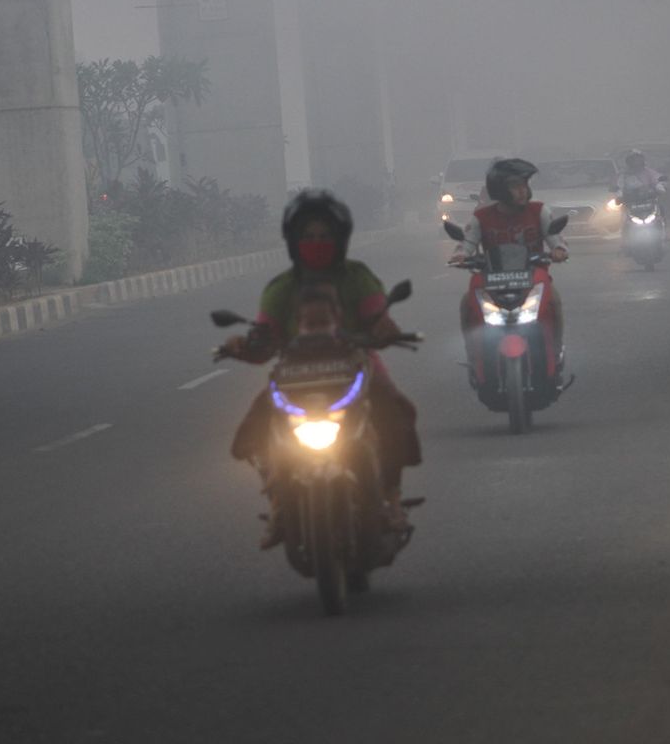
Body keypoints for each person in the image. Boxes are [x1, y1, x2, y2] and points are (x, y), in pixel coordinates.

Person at [224, 190, 421, 549]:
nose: (316, 244)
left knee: (397, 413)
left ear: (339, 239)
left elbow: (380, 319)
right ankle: (279, 499)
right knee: (251, 432)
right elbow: (264, 337)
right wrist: (242, 346)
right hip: (292, 380)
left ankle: (391, 499)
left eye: (324, 237)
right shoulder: (281, 288)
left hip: (357, 371)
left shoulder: (358, 277)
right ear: (294, 241)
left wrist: (384, 331)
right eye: (308, 237)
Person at [449, 158, 568, 382]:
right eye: (515, 186)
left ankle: (556, 351)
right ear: (500, 190)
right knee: (467, 303)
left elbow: (556, 240)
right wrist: (460, 256)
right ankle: (474, 358)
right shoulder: (481, 217)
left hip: (533, 280)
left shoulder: (539, 211)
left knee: (555, 300)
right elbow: (466, 244)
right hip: (491, 282)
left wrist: (559, 250)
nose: (523, 191)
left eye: (524, 185)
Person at [617, 149, 668, 240]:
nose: (636, 162)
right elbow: (619, 186)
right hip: (630, 203)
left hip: (648, 201)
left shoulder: (649, 172)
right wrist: (619, 196)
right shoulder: (624, 174)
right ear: (629, 162)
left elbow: (656, 181)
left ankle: (664, 233)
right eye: (633, 160)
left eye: (638, 159)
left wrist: (660, 189)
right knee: (622, 217)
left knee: (661, 209)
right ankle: (624, 239)